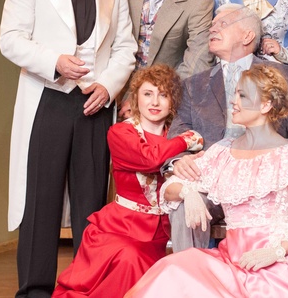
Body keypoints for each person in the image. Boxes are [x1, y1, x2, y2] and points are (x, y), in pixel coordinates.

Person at [0, 0, 137, 297]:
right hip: (48, 100)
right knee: (39, 200)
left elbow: (125, 47)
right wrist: (54, 62)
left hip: (95, 106)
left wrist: (108, 86)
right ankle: (34, 291)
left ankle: (86, 287)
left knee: (90, 204)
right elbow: (10, 39)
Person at [125, 64, 288, 298]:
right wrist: (188, 192)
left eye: (242, 96)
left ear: (265, 105)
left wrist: (276, 251)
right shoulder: (223, 152)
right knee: (172, 271)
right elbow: (169, 188)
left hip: (276, 261)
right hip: (231, 261)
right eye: (235, 94)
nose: (233, 102)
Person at [167, 2, 288, 252]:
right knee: (185, 203)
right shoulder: (194, 84)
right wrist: (179, 161)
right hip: (211, 180)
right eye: (212, 25)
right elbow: (177, 137)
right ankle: (191, 269)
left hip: (265, 182)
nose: (212, 29)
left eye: (222, 24)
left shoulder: (281, 75)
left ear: (247, 36)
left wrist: (281, 173)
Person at [52, 65, 203, 298]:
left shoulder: (173, 133)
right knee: (130, 259)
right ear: (136, 98)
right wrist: (185, 141)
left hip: (162, 232)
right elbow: (150, 159)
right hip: (121, 229)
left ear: (173, 101)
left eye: (163, 95)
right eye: (147, 94)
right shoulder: (121, 133)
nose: (155, 102)